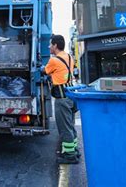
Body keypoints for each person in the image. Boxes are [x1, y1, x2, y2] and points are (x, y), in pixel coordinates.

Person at [41, 35, 79, 164]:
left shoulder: (54, 61)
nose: (49, 47)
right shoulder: (69, 57)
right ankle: (74, 150)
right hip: (71, 96)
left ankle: (69, 155)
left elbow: (45, 71)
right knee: (70, 125)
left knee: (64, 128)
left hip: (62, 99)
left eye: (51, 44)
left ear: (56, 45)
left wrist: (40, 68)